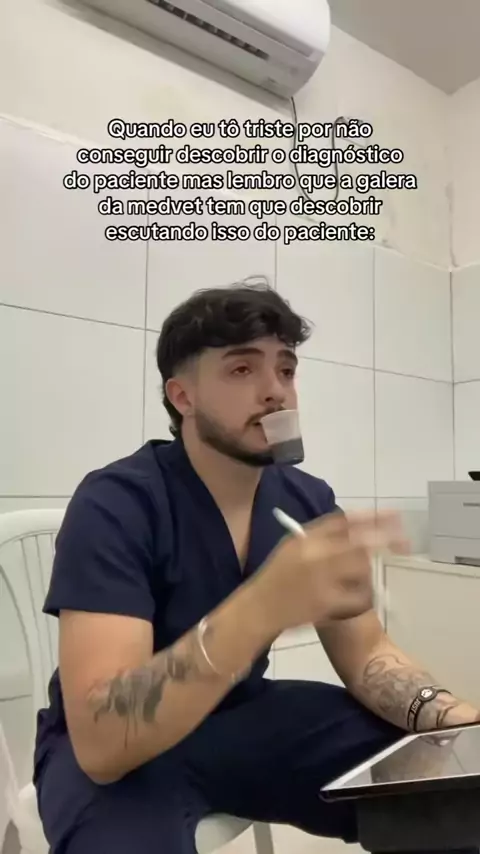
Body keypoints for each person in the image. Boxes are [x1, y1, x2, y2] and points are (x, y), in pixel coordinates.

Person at [34, 282, 479, 854]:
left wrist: (450, 717)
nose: (276, 391)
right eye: (242, 370)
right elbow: (102, 745)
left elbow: (366, 651)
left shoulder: (307, 500)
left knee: (446, 784)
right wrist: (262, 604)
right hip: (121, 747)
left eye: (286, 369)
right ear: (182, 396)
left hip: (244, 717)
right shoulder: (116, 503)